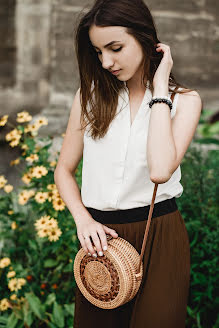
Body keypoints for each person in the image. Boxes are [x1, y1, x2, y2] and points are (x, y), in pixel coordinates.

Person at [54, 0, 202, 327]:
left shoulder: (185, 101)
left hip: (160, 235)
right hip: (100, 240)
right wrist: (83, 220)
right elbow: (63, 170)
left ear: (146, 38)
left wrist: (160, 88)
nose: (106, 62)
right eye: (98, 52)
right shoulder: (89, 96)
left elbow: (160, 171)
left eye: (116, 48)